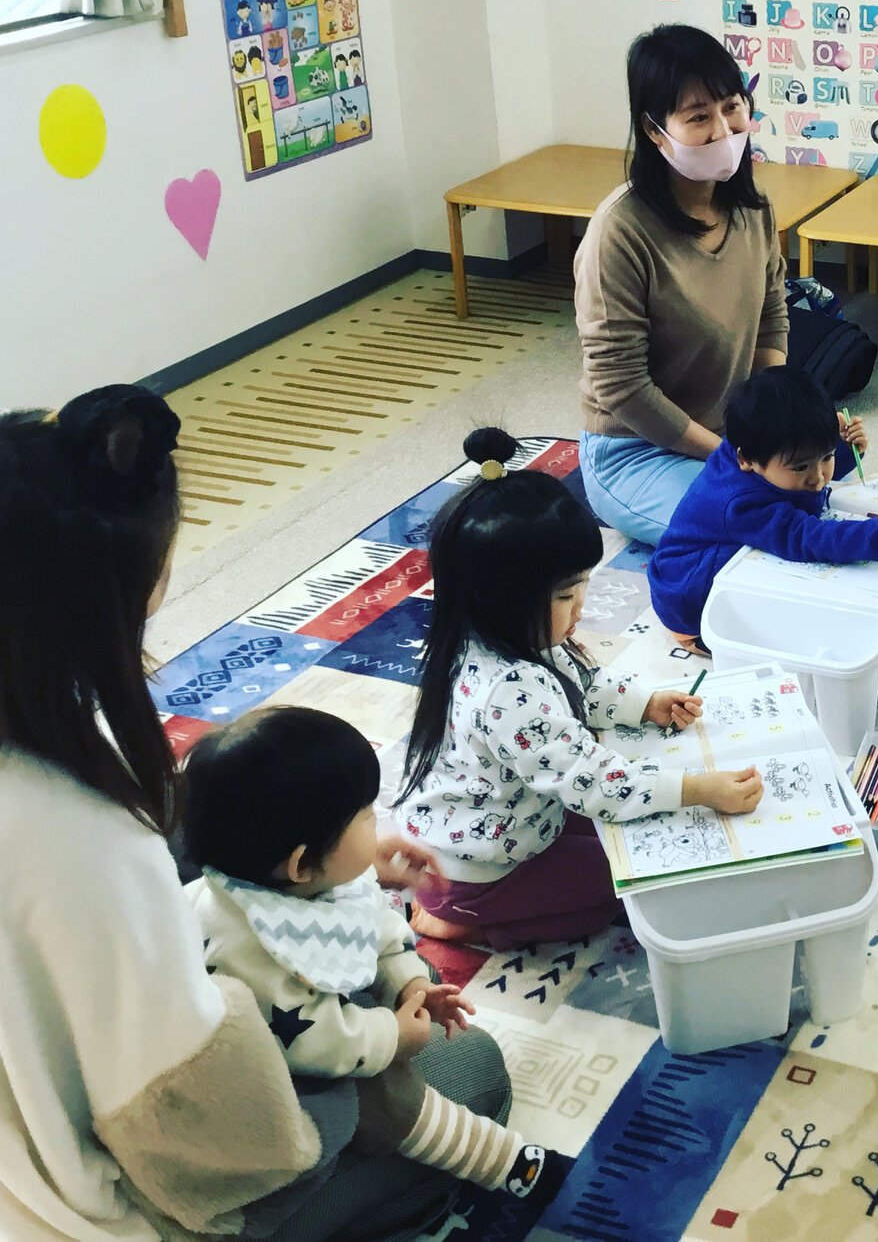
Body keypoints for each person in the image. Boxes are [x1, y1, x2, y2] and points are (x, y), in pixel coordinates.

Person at [0, 385, 511, 1242]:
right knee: (470, 1072)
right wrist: (373, 1052)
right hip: (119, 1201)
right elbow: (216, 1128)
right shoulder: (85, 829)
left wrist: (335, 860)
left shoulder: (62, 769)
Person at [183, 707, 569, 1208]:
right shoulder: (249, 950)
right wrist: (392, 1036)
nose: (378, 821)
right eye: (365, 815)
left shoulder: (279, 875)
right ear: (301, 864)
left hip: (302, 1005)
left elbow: (373, 925)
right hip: (262, 1061)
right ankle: (503, 1162)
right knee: (382, 1101)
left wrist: (411, 984)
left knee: (403, 970)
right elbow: (318, 1042)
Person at [396, 427, 764, 948]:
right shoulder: (507, 690)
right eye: (566, 596)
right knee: (626, 887)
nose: (581, 609)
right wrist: (699, 790)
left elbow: (581, 685)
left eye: (583, 587)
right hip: (476, 873)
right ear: (501, 599)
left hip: (501, 820)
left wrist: (645, 704)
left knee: (626, 837)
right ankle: (458, 922)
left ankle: (469, 907)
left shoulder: (498, 633)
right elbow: (598, 784)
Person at [648, 367, 878, 711]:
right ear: (746, 460)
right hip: (695, 601)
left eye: (824, 457)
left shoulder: (767, 456)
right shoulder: (739, 504)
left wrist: (845, 450)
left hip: (737, 562)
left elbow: (811, 482)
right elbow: (807, 536)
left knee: (849, 607)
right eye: (801, 467)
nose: (819, 476)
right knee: (817, 632)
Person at [574, 23, 786, 546]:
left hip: (730, 436)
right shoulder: (619, 232)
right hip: (635, 452)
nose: (723, 129)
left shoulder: (752, 208)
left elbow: (771, 320)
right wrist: (732, 457)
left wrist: (772, 423)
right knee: (757, 528)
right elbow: (621, 387)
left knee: (818, 486)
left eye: (732, 107)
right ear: (654, 130)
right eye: (697, 117)